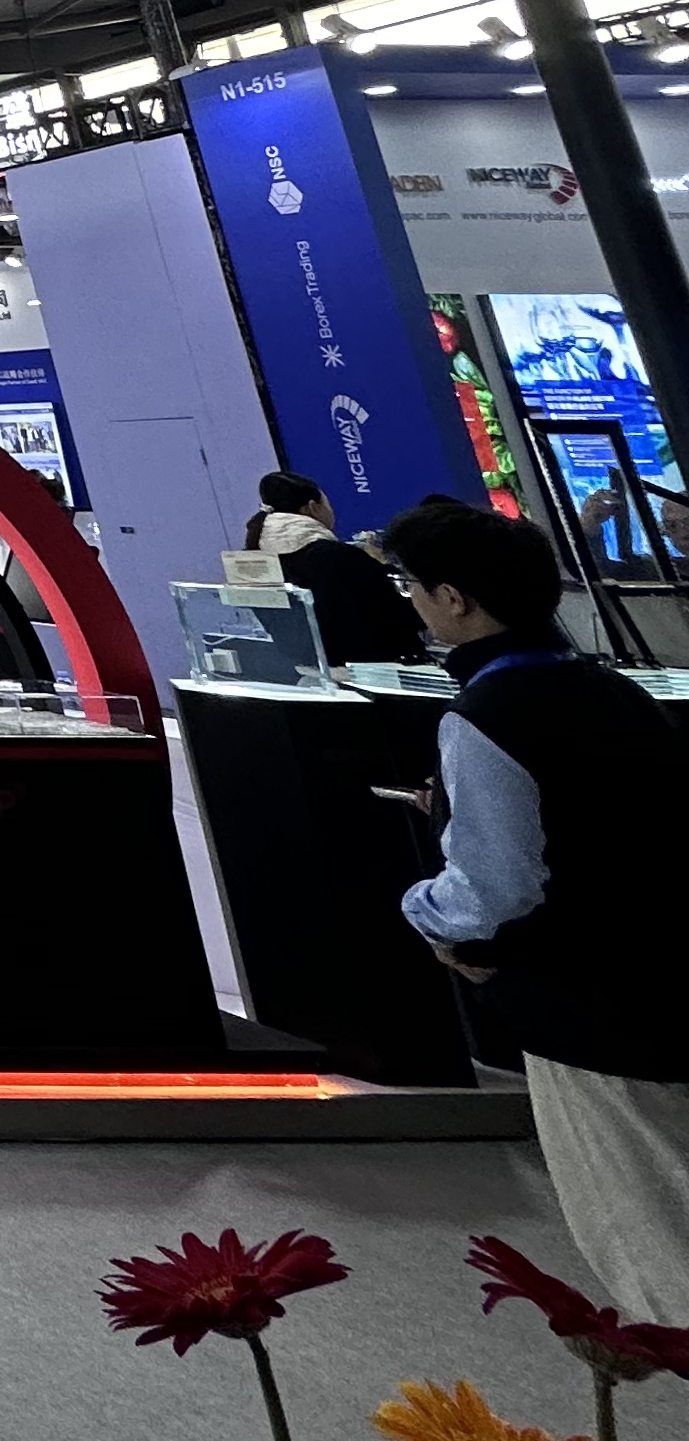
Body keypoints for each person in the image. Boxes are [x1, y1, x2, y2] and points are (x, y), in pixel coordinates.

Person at [387, 494, 689, 1321]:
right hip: (662, 982)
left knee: (651, 1236)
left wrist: (427, 913)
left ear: (455, 598)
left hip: (586, 1010)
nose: (413, 603)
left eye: (414, 586)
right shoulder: (612, 691)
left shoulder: (486, 713)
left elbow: (496, 890)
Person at [245, 470, 426, 666]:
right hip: (383, 671)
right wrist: (382, 565)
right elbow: (409, 614)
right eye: (327, 504)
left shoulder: (257, 559)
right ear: (312, 508)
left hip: (311, 672)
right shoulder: (339, 557)